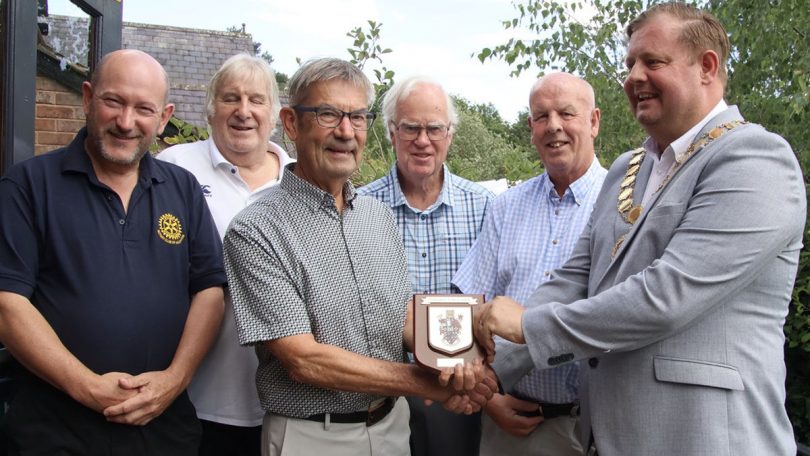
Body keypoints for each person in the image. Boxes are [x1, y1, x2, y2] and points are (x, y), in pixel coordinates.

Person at [474, 3, 805, 456]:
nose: (633, 76)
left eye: (653, 61)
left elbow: (667, 296)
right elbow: (576, 278)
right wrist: (491, 373)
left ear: (706, 66)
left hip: (705, 439)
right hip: (608, 437)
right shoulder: (628, 169)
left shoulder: (754, 159)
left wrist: (530, 324)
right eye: (630, 63)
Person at [223, 58, 494, 456]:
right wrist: (429, 382)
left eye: (357, 116)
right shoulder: (256, 229)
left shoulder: (376, 215)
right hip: (313, 438)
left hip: (391, 429)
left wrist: (462, 361)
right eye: (328, 114)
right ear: (292, 123)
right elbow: (305, 360)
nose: (346, 132)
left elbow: (401, 318)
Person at [0, 49, 226, 455]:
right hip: (54, 433)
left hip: (163, 431)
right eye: (113, 102)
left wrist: (174, 380)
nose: (126, 122)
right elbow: (7, 302)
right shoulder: (28, 186)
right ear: (88, 98)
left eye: (143, 109)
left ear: (163, 117)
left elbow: (209, 291)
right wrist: (89, 388)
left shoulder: (184, 190)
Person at [453, 72, 605, 456]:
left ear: (594, 121)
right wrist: (488, 399)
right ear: (531, 128)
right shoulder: (506, 206)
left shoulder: (620, 205)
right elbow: (470, 304)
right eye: (541, 116)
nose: (554, 126)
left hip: (591, 427)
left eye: (566, 113)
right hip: (508, 424)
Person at [157, 53, 293, 456]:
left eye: (256, 99)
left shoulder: (300, 177)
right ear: (212, 107)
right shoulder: (176, 167)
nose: (243, 111)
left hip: (285, 401)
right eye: (231, 98)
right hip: (195, 394)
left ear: (275, 114)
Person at [357, 75, 493, 456]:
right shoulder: (357, 209)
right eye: (410, 128)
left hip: (459, 393)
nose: (422, 140)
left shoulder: (483, 207)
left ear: (449, 134)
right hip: (382, 394)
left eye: (434, 128)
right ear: (391, 132)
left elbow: (496, 298)